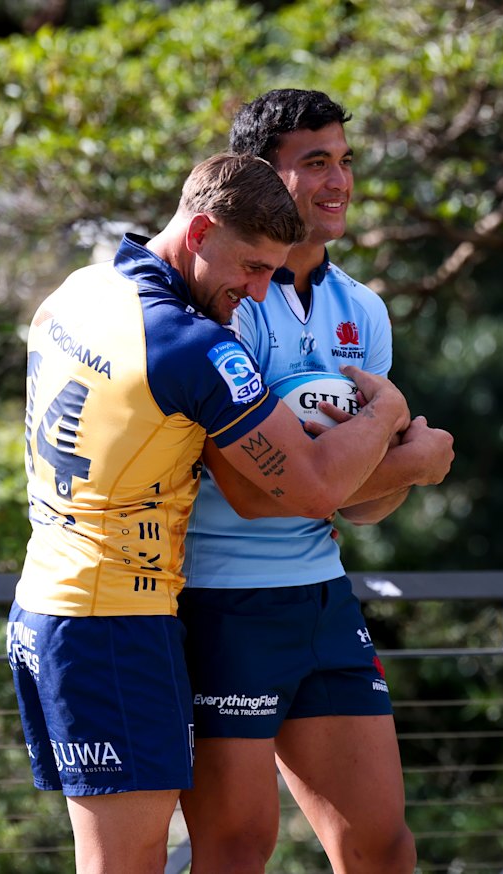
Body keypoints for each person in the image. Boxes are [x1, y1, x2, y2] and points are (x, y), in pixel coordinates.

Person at [6, 151, 414, 874]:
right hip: (111, 625)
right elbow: (314, 485)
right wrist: (388, 415)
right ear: (198, 233)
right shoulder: (190, 346)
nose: (257, 293)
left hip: (52, 603)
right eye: (252, 268)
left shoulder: (80, 291)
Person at [178, 91, 455, 874]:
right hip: (219, 601)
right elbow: (249, 490)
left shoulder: (360, 308)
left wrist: (372, 472)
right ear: (262, 178)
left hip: (323, 597)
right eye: (314, 163)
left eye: (344, 161)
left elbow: (363, 506)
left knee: (381, 847)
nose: (338, 182)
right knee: (236, 849)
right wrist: (417, 459)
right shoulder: (220, 301)